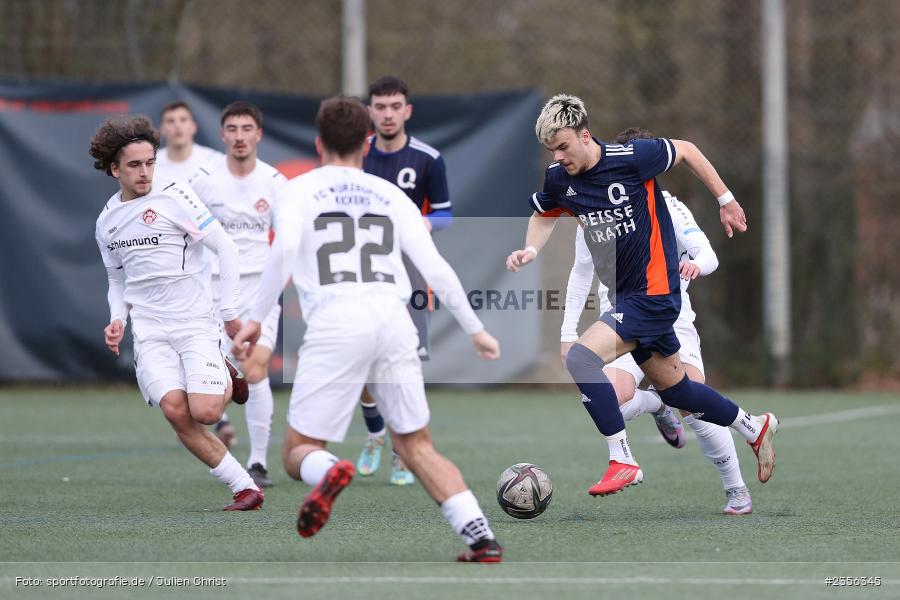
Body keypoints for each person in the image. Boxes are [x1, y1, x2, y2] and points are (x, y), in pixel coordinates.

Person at [232, 96, 503, 562]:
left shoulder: (296, 190)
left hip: (338, 320)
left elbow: (281, 255)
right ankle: (481, 538)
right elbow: (434, 268)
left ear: (319, 143)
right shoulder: (392, 195)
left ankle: (332, 470)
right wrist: (475, 328)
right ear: (366, 142)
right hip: (396, 322)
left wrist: (255, 320)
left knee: (299, 450)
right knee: (417, 445)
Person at [506, 94, 778, 497]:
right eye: (552, 150)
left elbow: (686, 149)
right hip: (628, 300)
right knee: (677, 391)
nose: (558, 156)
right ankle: (754, 427)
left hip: (654, 295)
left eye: (563, 146)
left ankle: (623, 460)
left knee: (582, 358)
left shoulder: (631, 158)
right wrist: (531, 249)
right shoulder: (559, 178)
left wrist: (725, 199)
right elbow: (543, 213)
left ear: (585, 135)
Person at [560, 128, 752, 515]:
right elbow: (581, 272)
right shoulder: (594, 207)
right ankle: (654, 405)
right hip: (619, 320)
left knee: (693, 405)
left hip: (669, 318)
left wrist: (694, 265)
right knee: (608, 395)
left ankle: (737, 489)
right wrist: (567, 331)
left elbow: (708, 254)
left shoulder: (670, 207)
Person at [90, 115, 263, 511]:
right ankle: (245, 488)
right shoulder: (107, 222)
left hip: (195, 323)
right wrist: (118, 320)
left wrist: (230, 310)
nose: (145, 171)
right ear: (114, 169)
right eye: (134, 165)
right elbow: (117, 281)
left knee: (204, 411)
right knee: (174, 409)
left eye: (150, 162)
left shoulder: (175, 194)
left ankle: (224, 368)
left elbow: (226, 248)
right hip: (150, 331)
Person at [355, 76, 453, 486]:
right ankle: (377, 432)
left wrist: (415, 227)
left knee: (403, 367)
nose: (388, 113)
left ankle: (401, 449)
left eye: (396, 106)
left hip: (410, 276)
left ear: (407, 110)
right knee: (360, 366)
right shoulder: (356, 157)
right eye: (380, 106)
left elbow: (445, 215)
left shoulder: (429, 159)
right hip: (360, 274)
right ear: (370, 111)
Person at [188, 101, 286, 489]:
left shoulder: (275, 182)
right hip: (211, 292)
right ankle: (226, 405)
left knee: (256, 367)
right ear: (223, 134)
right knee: (209, 390)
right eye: (232, 128)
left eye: (247, 128)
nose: (240, 136)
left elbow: (289, 242)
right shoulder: (201, 180)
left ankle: (258, 462)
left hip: (258, 293)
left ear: (258, 134)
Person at [155, 101, 222, 182]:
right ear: (162, 130)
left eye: (183, 120)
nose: (177, 125)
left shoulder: (214, 161)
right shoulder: (151, 164)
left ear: (194, 127)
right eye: (170, 121)